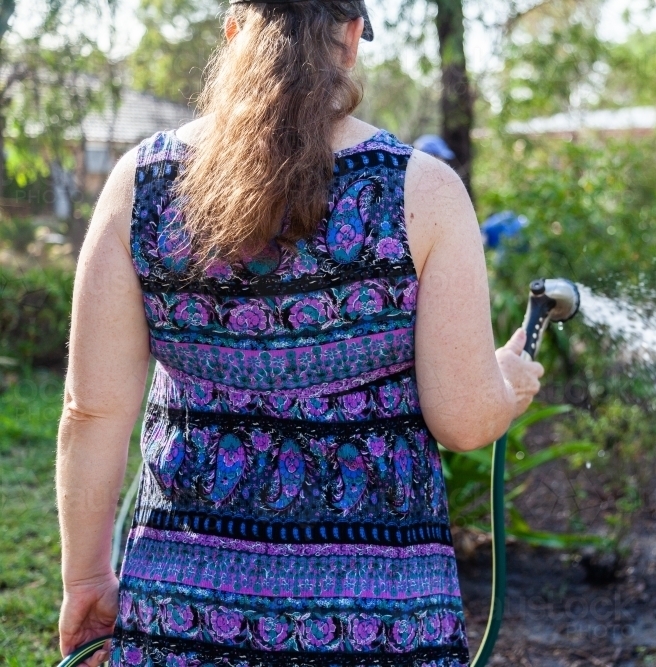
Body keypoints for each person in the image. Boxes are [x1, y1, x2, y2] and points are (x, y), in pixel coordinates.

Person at [55, 2, 544, 666]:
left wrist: (86, 580)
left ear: (234, 32)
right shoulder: (422, 191)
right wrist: (509, 380)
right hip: (381, 623)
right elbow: (462, 417)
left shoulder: (141, 184)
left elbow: (92, 411)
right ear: (349, 39)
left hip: (184, 617)